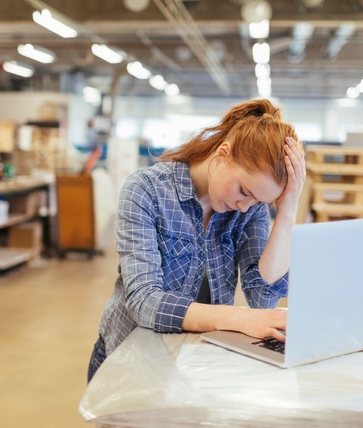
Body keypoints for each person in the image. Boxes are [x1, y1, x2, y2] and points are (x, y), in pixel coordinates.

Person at [87, 99, 305, 382]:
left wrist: (287, 211)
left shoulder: (249, 209)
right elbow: (145, 303)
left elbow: (263, 299)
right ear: (224, 153)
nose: (244, 206)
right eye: (243, 190)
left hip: (195, 359)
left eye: (257, 200)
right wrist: (238, 318)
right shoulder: (147, 191)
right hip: (129, 359)